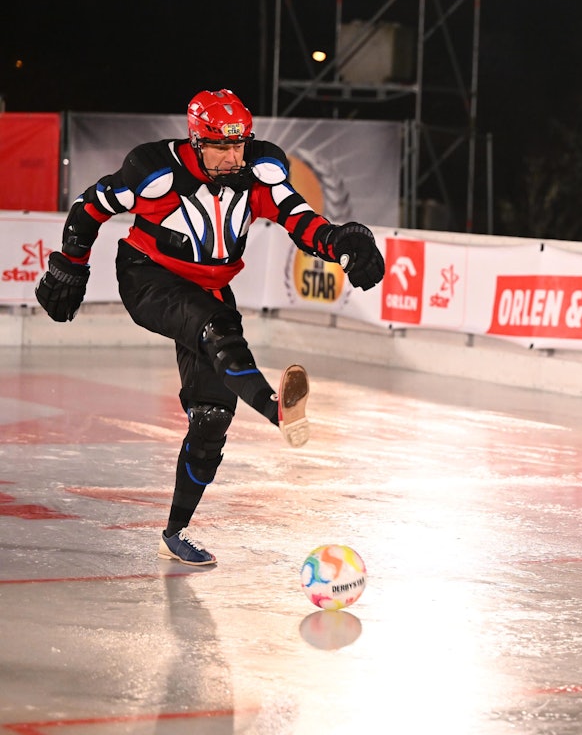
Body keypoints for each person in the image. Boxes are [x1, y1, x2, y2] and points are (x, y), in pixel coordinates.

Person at [34, 88, 385, 567]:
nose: (232, 156)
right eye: (220, 147)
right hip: (148, 278)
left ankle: (175, 533)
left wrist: (339, 241)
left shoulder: (260, 170)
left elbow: (298, 217)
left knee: (212, 420)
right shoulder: (154, 171)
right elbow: (89, 207)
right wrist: (70, 264)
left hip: (212, 288)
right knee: (219, 330)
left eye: (239, 145)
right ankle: (278, 410)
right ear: (196, 141)